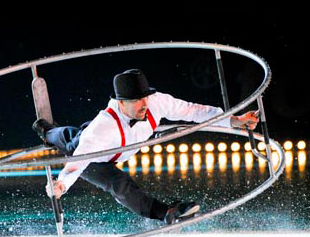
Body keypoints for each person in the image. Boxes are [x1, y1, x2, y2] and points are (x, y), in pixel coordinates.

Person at [33, 69, 259, 224]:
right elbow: (78, 161)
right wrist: (61, 185)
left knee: (75, 136)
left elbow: (194, 111)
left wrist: (233, 120)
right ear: (121, 103)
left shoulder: (157, 102)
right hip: (93, 157)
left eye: (145, 98)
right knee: (77, 147)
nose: (143, 105)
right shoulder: (102, 129)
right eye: (136, 100)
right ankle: (45, 130)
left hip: (115, 149)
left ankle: (49, 131)